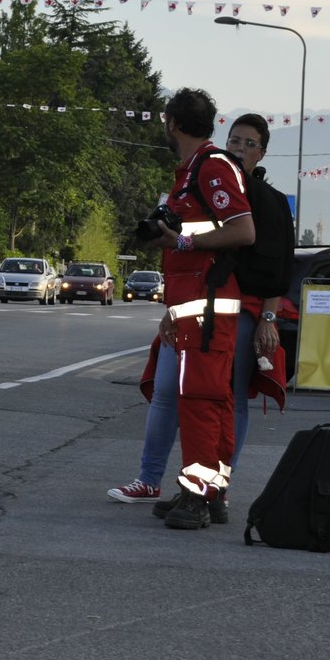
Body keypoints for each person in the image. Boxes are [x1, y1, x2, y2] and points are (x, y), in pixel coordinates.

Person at [109, 113, 290, 512]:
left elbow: (278, 264)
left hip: (241, 310)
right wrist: (172, 307)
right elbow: (189, 254)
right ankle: (153, 478)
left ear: (262, 152)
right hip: (199, 304)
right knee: (171, 390)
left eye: (248, 144)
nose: (239, 149)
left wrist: (269, 318)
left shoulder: (267, 200)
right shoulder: (208, 182)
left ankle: (214, 490)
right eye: (234, 140)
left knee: (227, 398)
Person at [137, 88, 255, 530]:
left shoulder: (211, 167)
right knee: (214, 400)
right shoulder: (192, 171)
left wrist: (183, 240)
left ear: (172, 123)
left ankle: (195, 496)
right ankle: (213, 492)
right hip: (195, 305)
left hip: (208, 305)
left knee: (200, 400)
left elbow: (244, 230)